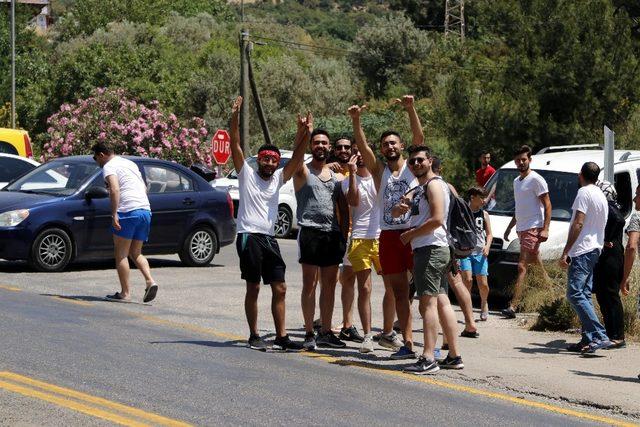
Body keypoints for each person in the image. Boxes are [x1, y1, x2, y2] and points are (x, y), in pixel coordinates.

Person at [230, 96, 307, 352]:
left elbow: (297, 158)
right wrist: (234, 116)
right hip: (248, 236)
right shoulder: (246, 174)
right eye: (266, 159)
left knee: (280, 287)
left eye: (274, 160)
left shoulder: (278, 179)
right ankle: (254, 335)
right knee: (253, 286)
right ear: (259, 160)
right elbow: (235, 143)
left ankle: (281, 336)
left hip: (269, 238)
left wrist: (304, 132)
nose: (270, 163)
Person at [348, 95, 423, 359]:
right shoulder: (380, 171)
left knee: (425, 292)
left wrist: (411, 109)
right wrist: (356, 121)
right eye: (385, 144)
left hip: (414, 235)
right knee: (400, 292)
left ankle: (437, 343)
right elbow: (362, 147)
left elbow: (419, 139)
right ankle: (408, 343)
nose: (389, 146)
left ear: (401, 145)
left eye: (393, 142)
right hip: (389, 237)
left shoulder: (413, 168)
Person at [395, 146, 463, 374]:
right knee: (442, 301)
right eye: (412, 162)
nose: (415, 164)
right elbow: (399, 213)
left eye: (420, 160)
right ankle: (453, 355)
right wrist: (401, 207)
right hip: (434, 248)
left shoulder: (434, 185)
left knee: (428, 304)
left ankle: (428, 357)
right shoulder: (421, 187)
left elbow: (436, 219)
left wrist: (410, 235)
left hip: (431, 248)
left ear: (430, 161)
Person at [295, 128, 349, 350]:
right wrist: (302, 133)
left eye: (324, 143)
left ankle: (325, 331)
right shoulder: (303, 172)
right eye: (316, 142)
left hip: (332, 234)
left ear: (329, 147)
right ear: (311, 146)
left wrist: (343, 236)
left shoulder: (337, 178)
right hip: (310, 232)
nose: (320, 146)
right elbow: (297, 157)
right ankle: (309, 332)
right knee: (310, 283)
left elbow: (344, 210)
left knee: (330, 285)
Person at [92, 142, 157, 303]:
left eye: (95, 158)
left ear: (102, 155)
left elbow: (114, 189)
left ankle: (125, 293)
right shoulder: (130, 163)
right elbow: (144, 188)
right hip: (145, 210)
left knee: (121, 254)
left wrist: (114, 213)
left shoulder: (109, 166)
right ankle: (150, 280)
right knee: (136, 253)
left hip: (127, 211)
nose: (96, 162)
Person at [558, 162, 611, 354]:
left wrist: (566, 251)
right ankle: (588, 339)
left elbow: (578, 223)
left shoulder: (583, 193)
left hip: (582, 250)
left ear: (581, 175)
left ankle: (599, 334)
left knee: (575, 293)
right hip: (594, 248)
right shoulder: (600, 195)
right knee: (585, 294)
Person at [431, 157, 479, 337]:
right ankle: (470, 323)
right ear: (440, 168)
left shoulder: (431, 187)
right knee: (457, 282)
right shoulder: (449, 187)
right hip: (452, 241)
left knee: (430, 287)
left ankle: (444, 332)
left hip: (437, 242)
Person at [502, 145, 552, 319]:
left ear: (529, 160)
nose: (521, 163)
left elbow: (547, 204)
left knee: (522, 266)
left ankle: (513, 306)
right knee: (537, 265)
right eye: (518, 160)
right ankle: (554, 297)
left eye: (524, 159)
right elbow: (520, 207)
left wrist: (545, 228)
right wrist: (510, 227)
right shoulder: (517, 181)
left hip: (533, 227)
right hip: (521, 227)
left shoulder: (536, 179)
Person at [341, 148, 382, 353]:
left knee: (394, 287)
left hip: (382, 237)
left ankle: (389, 332)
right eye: (355, 153)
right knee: (365, 288)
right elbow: (353, 201)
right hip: (359, 238)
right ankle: (367, 336)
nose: (360, 157)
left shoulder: (380, 177)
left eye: (363, 153)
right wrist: (352, 173)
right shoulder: (347, 180)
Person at [592, 181, 626, 349]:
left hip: (612, 259)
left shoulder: (611, 207)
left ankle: (618, 336)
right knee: (602, 295)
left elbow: (619, 220)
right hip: (605, 258)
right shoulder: (604, 208)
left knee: (611, 296)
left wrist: (607, 239)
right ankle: (609, 333)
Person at [460, 186, 493, 321]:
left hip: (480, 252)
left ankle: (484, 303)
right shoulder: (463, 213)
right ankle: (468, 308)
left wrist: (487, 246)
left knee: (483, 284)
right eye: (481, 198)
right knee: (467, 280)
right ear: (473, 198)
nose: (484, 200)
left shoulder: (484, 214)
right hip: (465, 252)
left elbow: (490, 234)